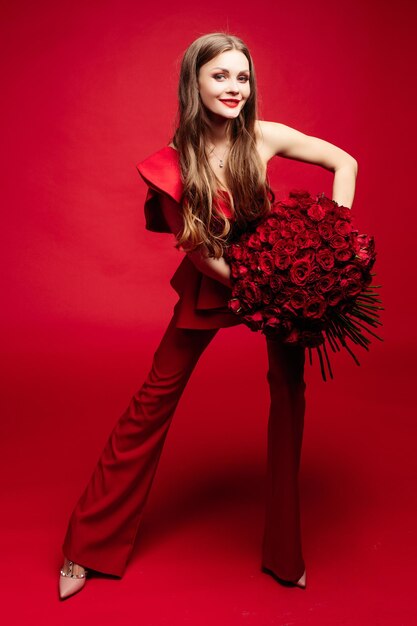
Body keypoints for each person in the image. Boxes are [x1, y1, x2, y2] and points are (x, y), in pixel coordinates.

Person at [58, 31, 358, 600]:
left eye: (242, 77)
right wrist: (260, 283)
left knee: (290, 396)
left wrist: (327, 245)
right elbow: (202, 255)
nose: (234, 88)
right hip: (223, 277)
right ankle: (86, 547)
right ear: (193, 83)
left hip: (281, 277)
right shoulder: (169, 165)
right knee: (153, 399)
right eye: (220, 76)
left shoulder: (264, 137)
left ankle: (285, 554)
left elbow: (344, 161)